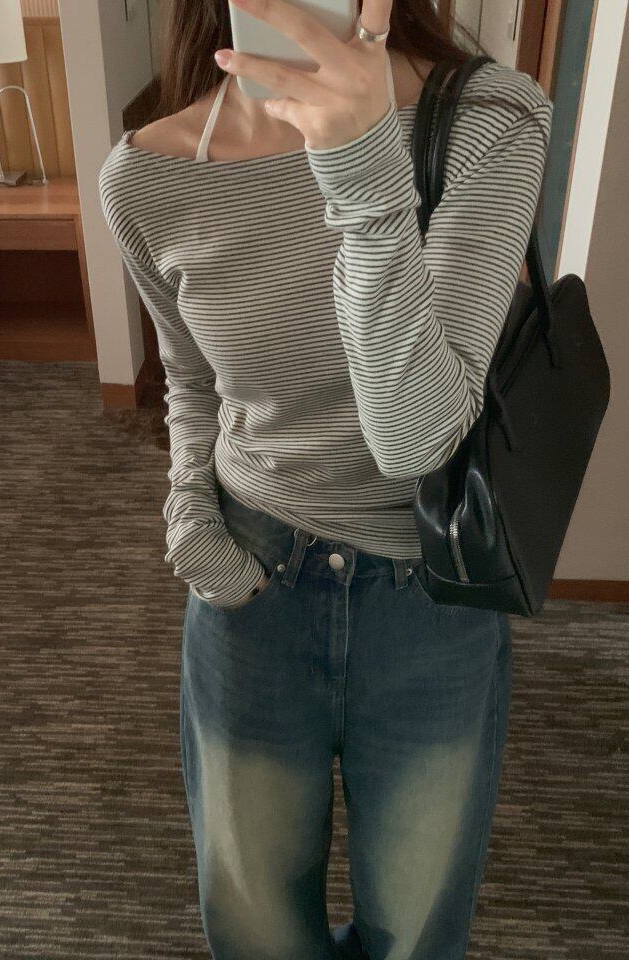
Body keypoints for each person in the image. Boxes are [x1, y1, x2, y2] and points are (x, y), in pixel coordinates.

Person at [99, 1, 553, 957]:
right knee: (255, 929)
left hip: (430, 594)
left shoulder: (491, 118)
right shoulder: (146, 174)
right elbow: (189, 379)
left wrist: (361, 171)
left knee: (416, 934)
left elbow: (416, 437)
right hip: (251, 584)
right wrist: (187, 509)